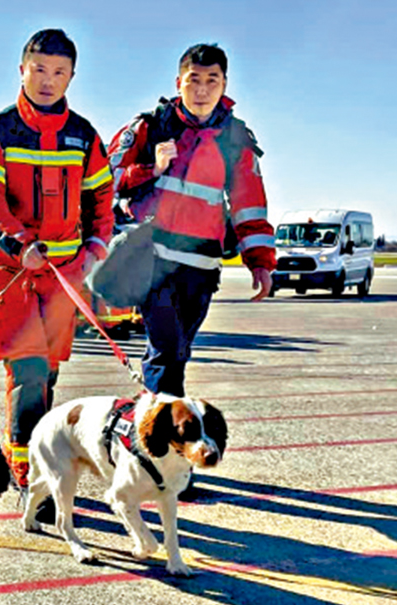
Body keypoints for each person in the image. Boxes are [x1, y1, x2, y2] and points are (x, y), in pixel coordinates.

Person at [0, 28, 114, 493]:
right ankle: (30, 474)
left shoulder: (84, 137)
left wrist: (95, 248)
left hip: (64, 276)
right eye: (39, 70)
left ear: (71, 77)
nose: (48, 81)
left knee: (48, 371)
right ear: (22, 70)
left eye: (59, 72)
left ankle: (34, 454)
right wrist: (19, 245)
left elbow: (101, 199)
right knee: (28, 369)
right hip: (10, 272)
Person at [109, 43, 274, 398]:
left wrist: (260, 262)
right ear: (178, 83)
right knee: (166, 351)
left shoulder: (236, 140)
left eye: (212, 80)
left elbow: (250, 206)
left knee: (178, 354)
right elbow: (102, 179)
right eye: (194, 80)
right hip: (152, 259)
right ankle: (162, 427)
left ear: (224, 85)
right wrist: (151, 169)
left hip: (202, 266)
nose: (202, 90)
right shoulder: (150, 127)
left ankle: (151, 418)